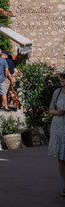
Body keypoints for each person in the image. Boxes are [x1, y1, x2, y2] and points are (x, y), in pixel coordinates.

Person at [49, 68, 65, 197]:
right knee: (61, 158)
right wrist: (58, 112)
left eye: (64, 77)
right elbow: (50, 110)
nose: (62, 79)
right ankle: (64, 186)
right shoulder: (57, 92)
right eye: (61, 77)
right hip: (58, 127)